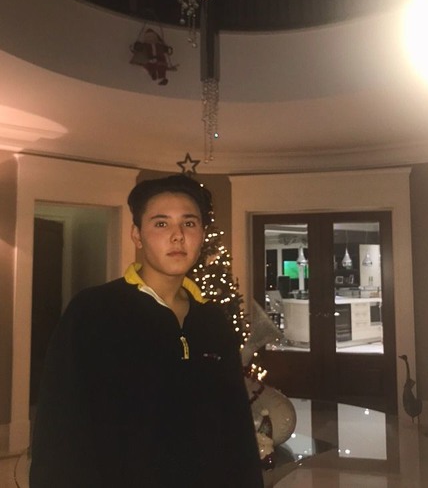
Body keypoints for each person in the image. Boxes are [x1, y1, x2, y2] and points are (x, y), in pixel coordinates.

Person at [30, 175, 264, 488]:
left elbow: (236, 426)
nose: (178, 236)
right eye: (161, 223)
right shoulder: (94, 311)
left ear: (202, 234)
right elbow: (58, 424)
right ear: (137, 235)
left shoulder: (212, 320)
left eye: (189, 223)